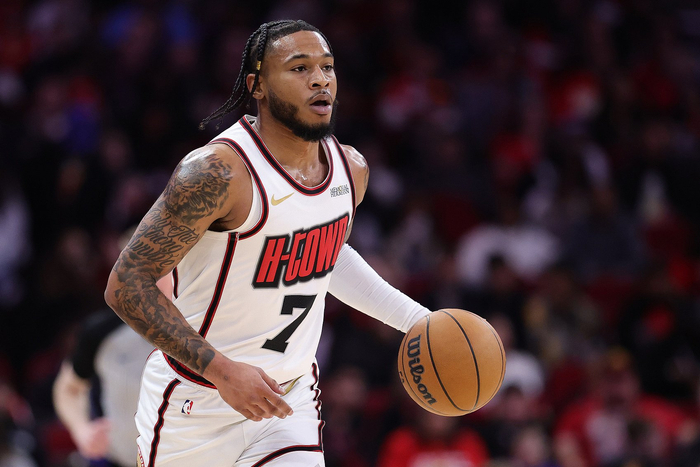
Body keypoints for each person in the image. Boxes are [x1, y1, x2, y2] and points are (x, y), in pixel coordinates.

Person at [104, 20, 431, 467]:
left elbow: (326, 259)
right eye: (299, 68)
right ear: (256, 85)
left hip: (287, 402)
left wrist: (419, 320)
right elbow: (126, 284)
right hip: (196, 402)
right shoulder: (217, 173)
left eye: (327, 67)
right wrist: (222, 372)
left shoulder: (350, 170)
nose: (319, 79)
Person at [52, 309, 155, 467]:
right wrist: (82, 430)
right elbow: (68, 389)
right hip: (118, 458)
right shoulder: (102, 331)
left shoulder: (192, 327)